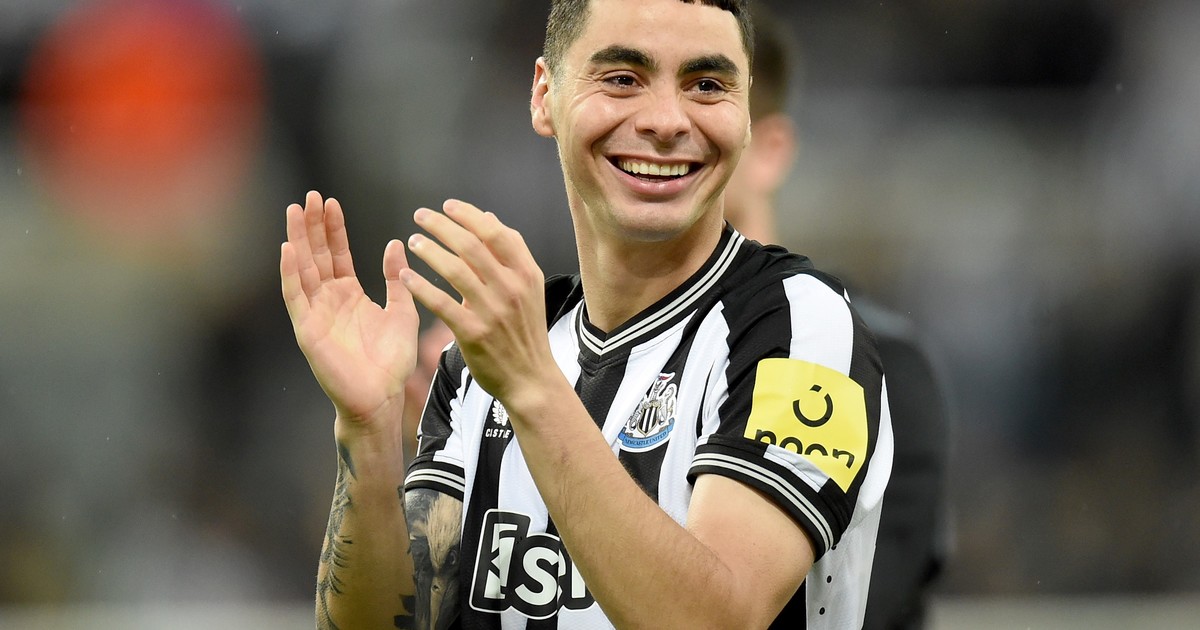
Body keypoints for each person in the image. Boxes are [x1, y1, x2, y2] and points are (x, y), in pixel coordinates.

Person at [280, 1, 893, 627]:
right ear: (544, 96)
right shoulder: (479, 367)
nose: (665, 121)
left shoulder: (804, 329)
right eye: (623, 79)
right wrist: (369, 433)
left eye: (707, 85)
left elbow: (717, 620)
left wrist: (532, 386)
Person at [722, 11, 950, 629]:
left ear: (768, 150)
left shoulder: (877, 360)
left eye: (709, 95)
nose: (666, 129)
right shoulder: (584, 354)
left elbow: (861, 604)